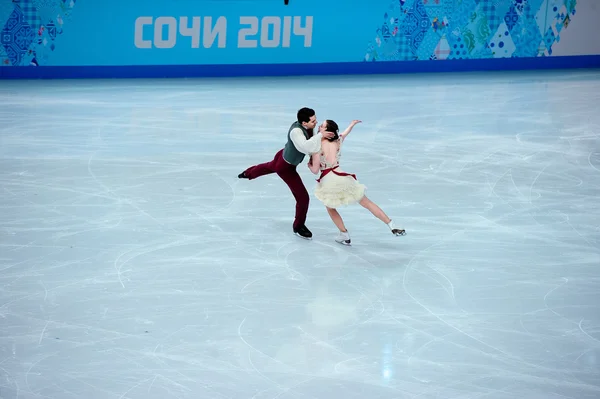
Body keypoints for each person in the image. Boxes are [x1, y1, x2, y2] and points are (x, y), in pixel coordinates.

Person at [238, 107, 335, 239]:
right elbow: (306, 147)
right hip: (286, 167)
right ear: (304, 123)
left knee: (268, 166)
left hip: (283, 155)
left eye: (315, 119)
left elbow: (313, 144)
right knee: (303, 198)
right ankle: (298, 226)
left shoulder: (308, 127)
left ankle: (247, 173)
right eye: (313, 121)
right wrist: (320, 136)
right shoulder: (296, 132)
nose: (316, 123)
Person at [307, 119, 406, 245]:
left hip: (329, 180)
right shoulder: (338, 141)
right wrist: (351, 125)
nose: (319, 127)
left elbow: (315, 170)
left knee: (331, 208)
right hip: (342, 177)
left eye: (322, 126)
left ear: (328, 132)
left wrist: (309, 166)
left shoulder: (317, 146)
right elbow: (344, 133)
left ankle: (344, 234)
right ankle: (391, 224)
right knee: (367, 202)